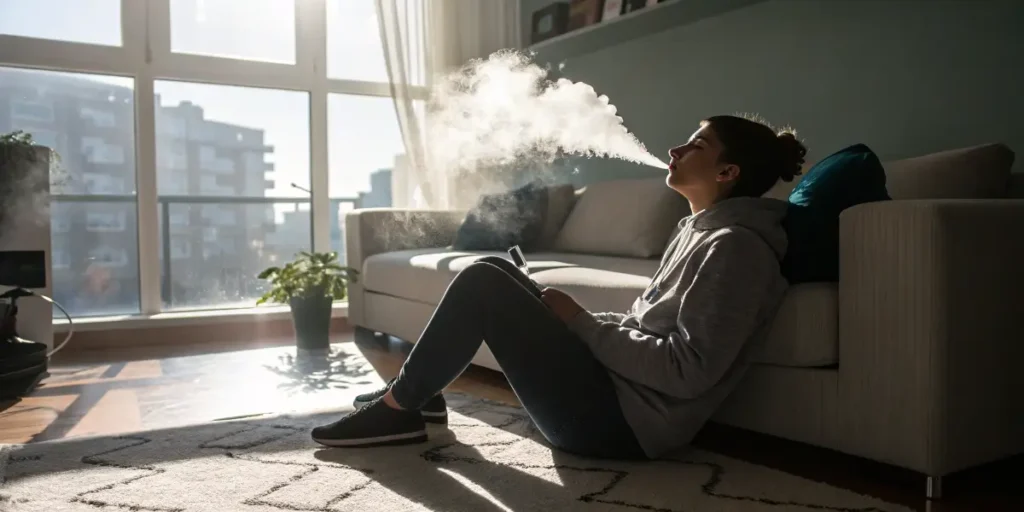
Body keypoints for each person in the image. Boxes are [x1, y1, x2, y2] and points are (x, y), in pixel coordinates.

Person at [312, 114, 807, 460]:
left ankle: (401, 409)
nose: (676, 149)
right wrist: (571, 320)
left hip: (620, 427)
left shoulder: (737, 249)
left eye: (696, 145)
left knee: (483, 280)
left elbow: (687, 371)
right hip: (608, 393)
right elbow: (646, 324)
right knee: (497, 269)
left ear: (727, 172)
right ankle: (418, 397)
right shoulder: (695, 231)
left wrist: (582, 324)